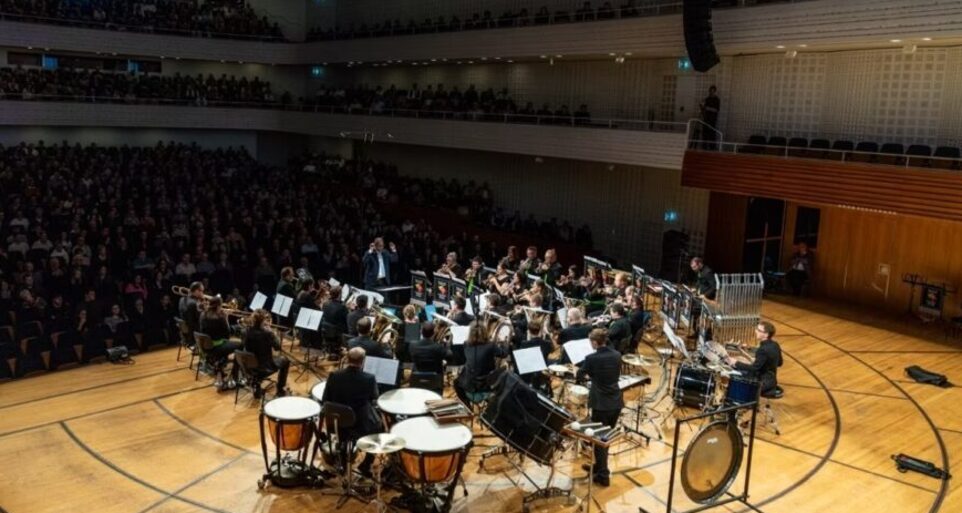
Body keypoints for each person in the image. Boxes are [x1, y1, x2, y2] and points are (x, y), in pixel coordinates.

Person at [321, 347, 381, 477]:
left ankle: (342, 462)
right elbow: (374, 398)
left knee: (345, 426)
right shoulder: (369, 378)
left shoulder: (334, 376)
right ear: (363, 361)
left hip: (338, 423)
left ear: (347, 359)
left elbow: (326, 399)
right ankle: (366, 465)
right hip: (361, 425)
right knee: (379, 426)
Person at [576, 328, 623, 487]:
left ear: (595, 342)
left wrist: (589, 376)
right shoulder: (617, 355)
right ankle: (599, 466)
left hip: (601, 404)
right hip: (616, 402)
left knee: (598, 440)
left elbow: (580, 375)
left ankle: (603, 476)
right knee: (605, 438)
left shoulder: (591, 358)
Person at [455, 321, 507, 404]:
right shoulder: (491, 346)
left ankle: (467, 407)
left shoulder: (466, 344)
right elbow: (504, 354)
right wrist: (503, 342)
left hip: (468, 386)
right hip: (486, 386)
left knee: (456, 382)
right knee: (504, 371)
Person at [243, 309, 290, 397]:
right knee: (286, 360)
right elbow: (277, 347)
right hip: (265, 367)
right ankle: (280, 389)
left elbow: (246, 346)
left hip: (250, 366)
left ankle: (257, 383)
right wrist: (272, 332)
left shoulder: (247, 331)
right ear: (263, 321)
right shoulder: (267, 333)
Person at [726, 321, 783, 396]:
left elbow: (754, 368)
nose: (756, 331)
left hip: (761, 383)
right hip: (772, 381)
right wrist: (760, 362)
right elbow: (779, 363)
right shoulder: (775, 345)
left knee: (732, 376)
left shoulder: (762, 349)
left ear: (766, 334)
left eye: (759, 330)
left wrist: (735, 362)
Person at [199, 297, 242, 389]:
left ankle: (219, 369)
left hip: (206, 346)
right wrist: (226, 318)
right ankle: (234, 376)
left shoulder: (203, 314)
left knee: (224, 346)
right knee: (241, 345)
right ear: (218, 306)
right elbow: (227, 335)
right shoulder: (220, 318)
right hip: (217, 346)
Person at [515, 318, 553, 393]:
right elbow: (553, 348)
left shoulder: (524, 343)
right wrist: (547, 334)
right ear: (541, 330)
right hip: (541, 372)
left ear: (528, 331)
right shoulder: (547, 343)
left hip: (528, 373)